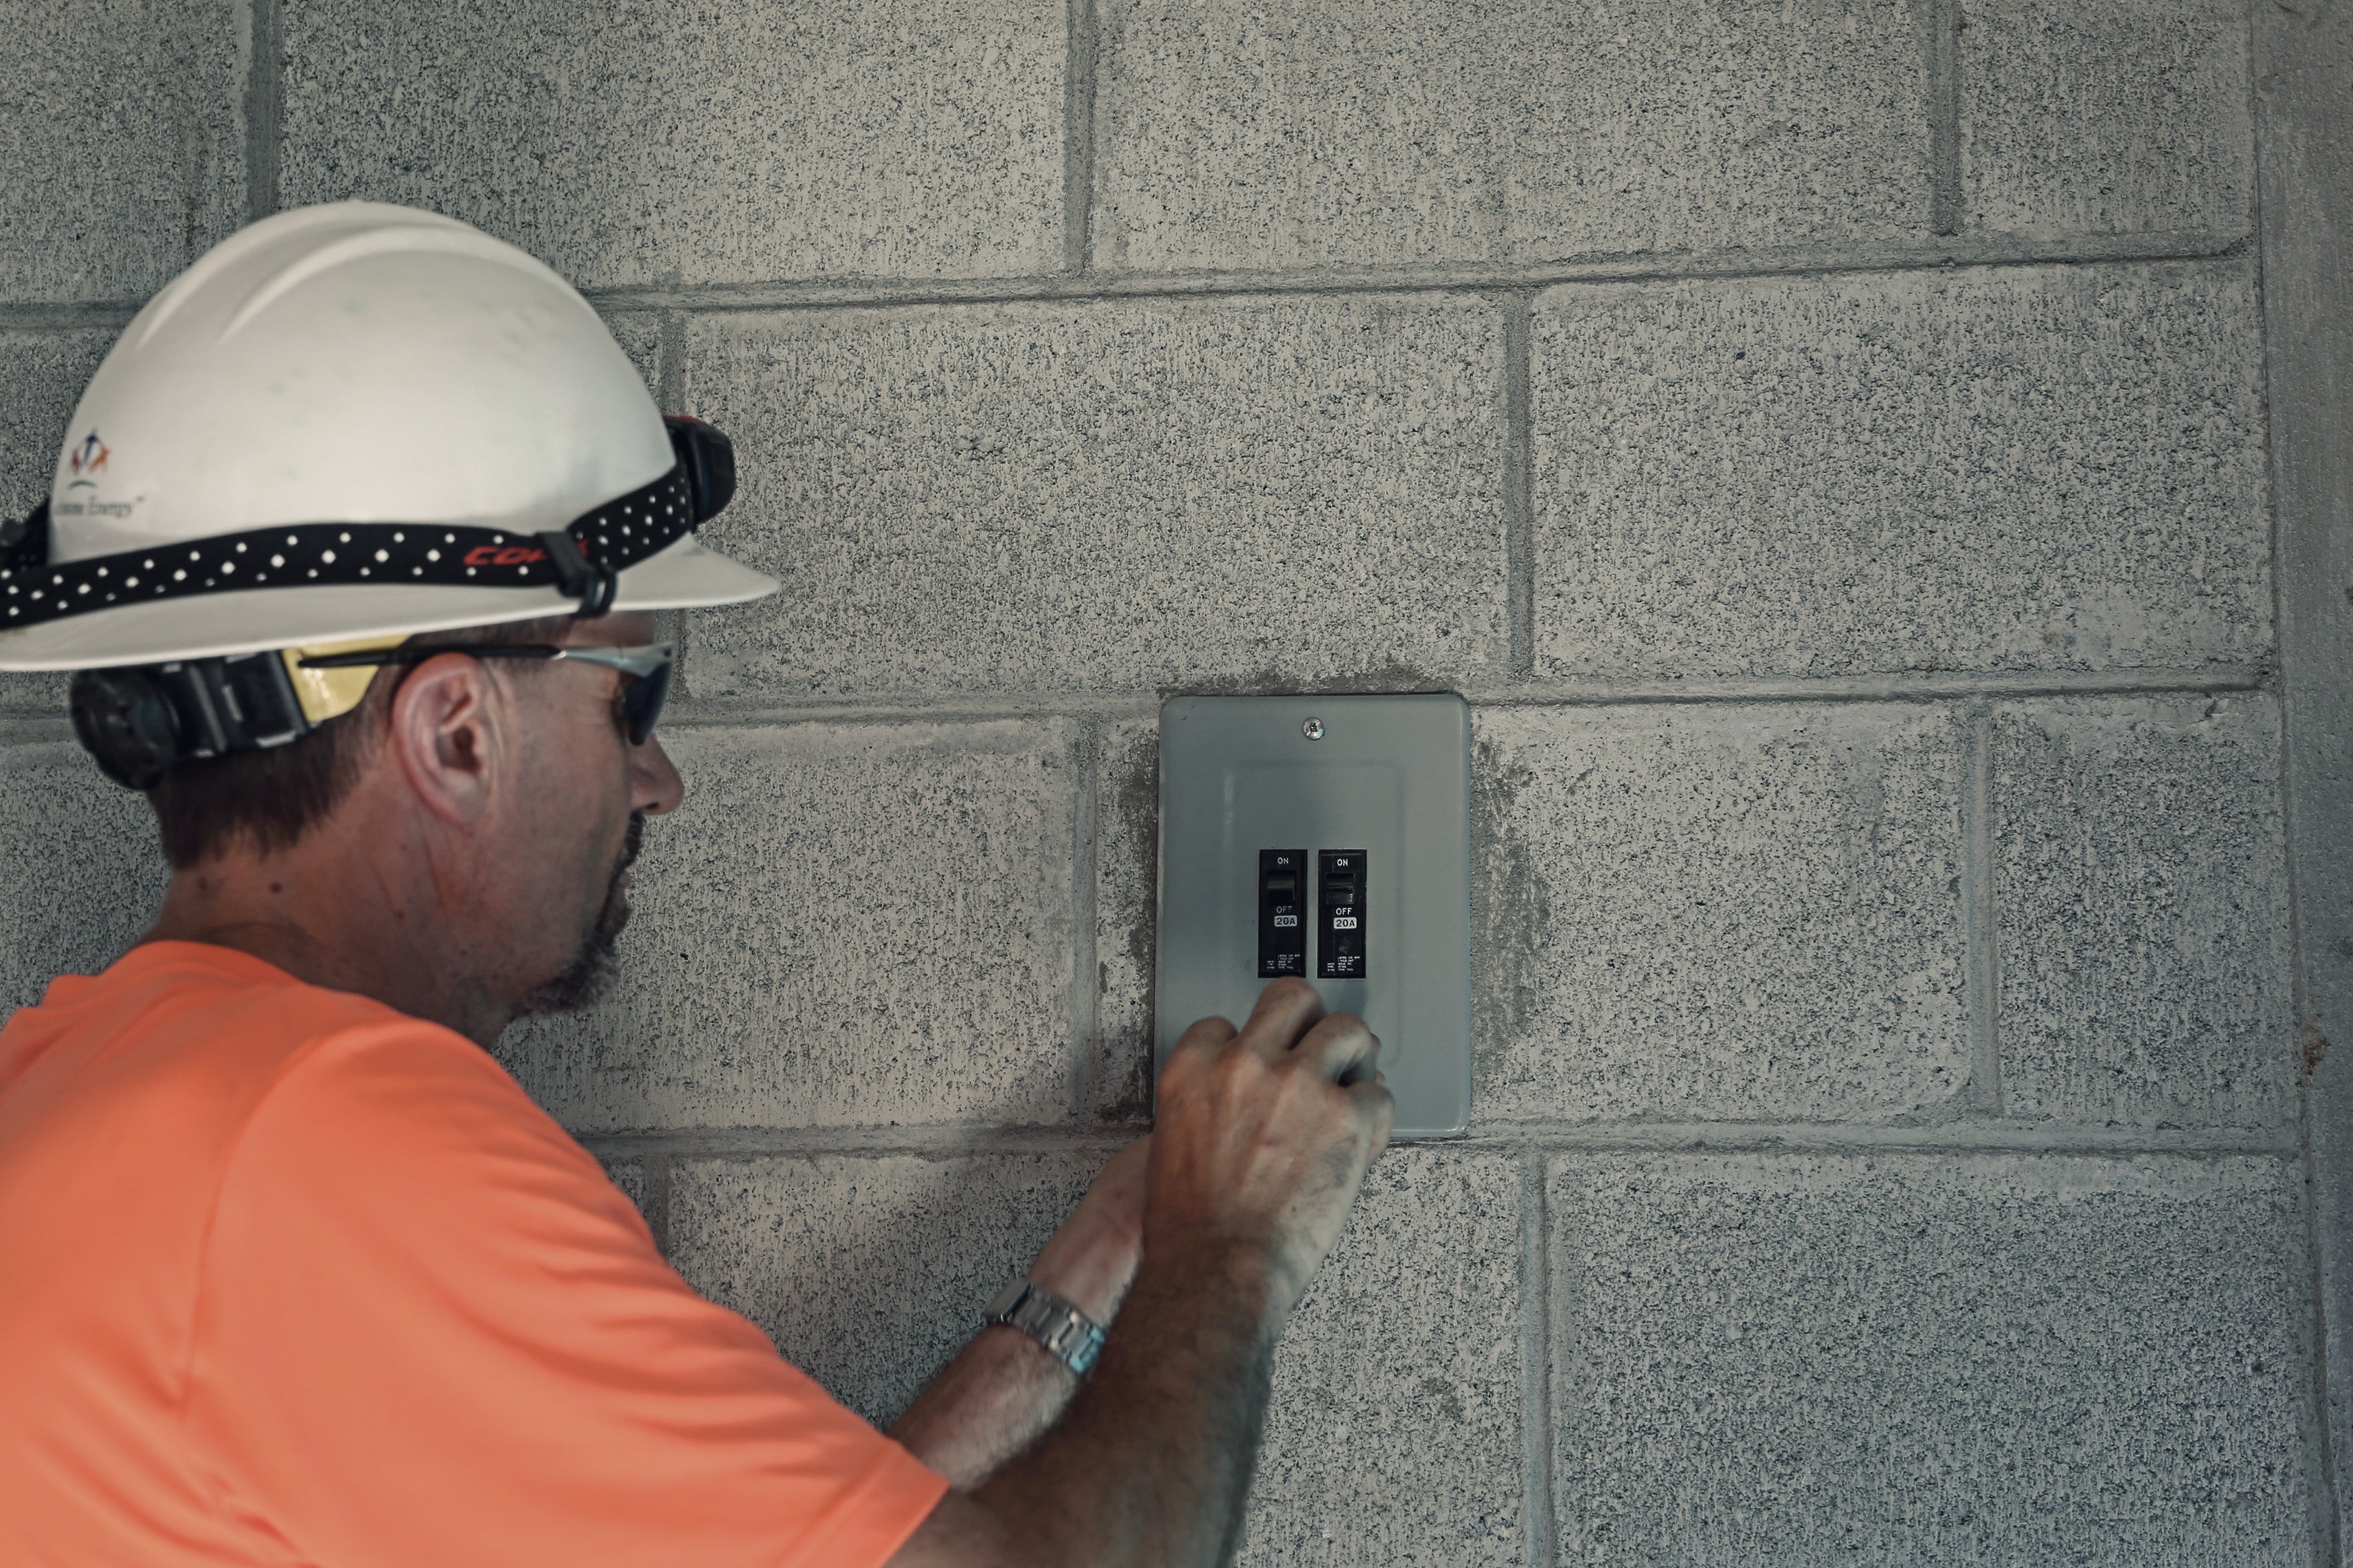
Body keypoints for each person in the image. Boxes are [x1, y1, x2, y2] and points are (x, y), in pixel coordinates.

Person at [0, 204, 1393, 1567]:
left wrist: (1103, 1272)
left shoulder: (80, 1087)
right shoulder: (333, 1150)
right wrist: (1231, 1245)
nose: (657, 777)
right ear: (455, 733)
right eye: (632, 696)